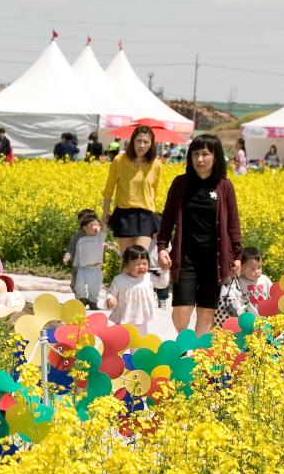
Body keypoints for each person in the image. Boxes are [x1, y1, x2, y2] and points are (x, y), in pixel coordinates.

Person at [157, 134, 243, 336]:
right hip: (185, 257)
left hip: (214, 260)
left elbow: (233, 224)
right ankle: (184, 344)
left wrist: (237, 256)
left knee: (206, 311)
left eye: (205, 154)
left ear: (215, 157)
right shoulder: (180, 184)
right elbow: (167, 219)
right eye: (195, 154)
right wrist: (162, 247)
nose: (200, 159)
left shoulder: (224, 186)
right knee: (181, 309)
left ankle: (198, 356)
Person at [102, 125, 163, 254]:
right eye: (138, 141)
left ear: (151, 144)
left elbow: (154, 193)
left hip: (146, 216)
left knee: (140, 258)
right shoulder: (119, 161)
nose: (142, 145)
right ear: (132, 141)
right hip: (124, 215)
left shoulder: (156, 164)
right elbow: (108, 191)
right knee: (126, 260)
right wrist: (105, 215)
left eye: (146, 142)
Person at [105, 245, 158, 336]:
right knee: (122, 343)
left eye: (144, 263)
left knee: (139, 343)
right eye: (137, 264)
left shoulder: (148, 278)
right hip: (123, 318)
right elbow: (111, 293)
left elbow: (162, 283)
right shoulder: (119, 279)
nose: (141, 267)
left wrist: (165, 271)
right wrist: (110, 299)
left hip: (141, 319)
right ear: (126, 264)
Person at [68, 212, 107, 310]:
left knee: (94, 288)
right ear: (85, 228)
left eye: (98, 225)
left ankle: (93, 301)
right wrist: (75, 265)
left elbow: (105, 231)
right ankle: (83, 298)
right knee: (79, 286)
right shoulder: (81, 240)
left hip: (95, 269)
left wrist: (105, 222)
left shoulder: (99, 239)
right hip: (82, 268)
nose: (96, 227)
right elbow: (78, 254)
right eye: (93, 225)